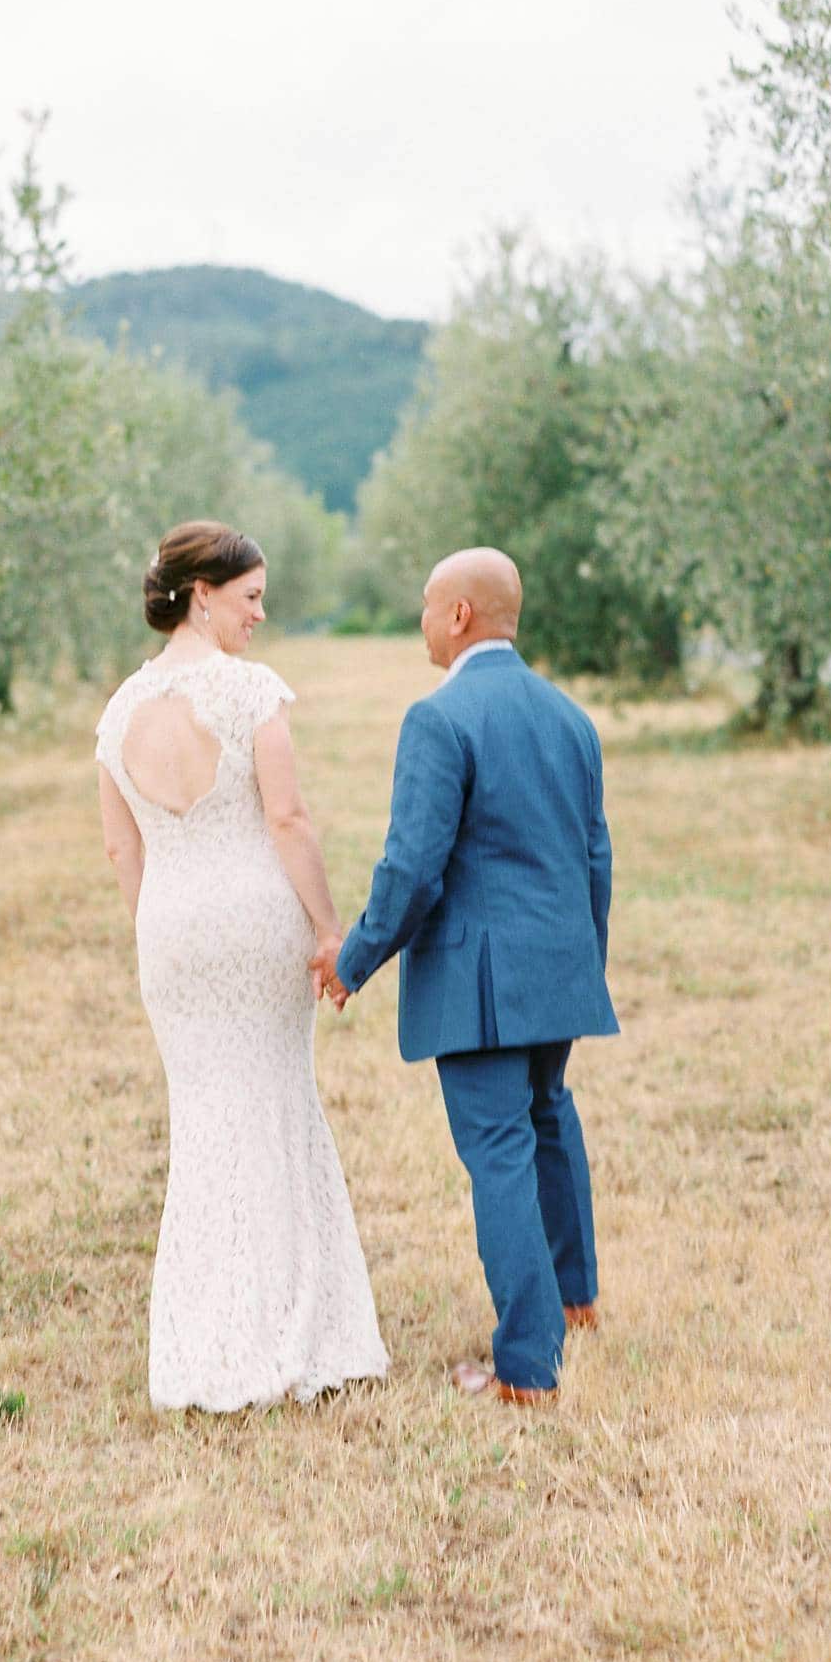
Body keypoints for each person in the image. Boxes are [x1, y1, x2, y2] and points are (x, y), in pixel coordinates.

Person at [95, 520, 388, 1412]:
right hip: (256, 923)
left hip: (172, 930)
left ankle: (206, 1344)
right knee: (273, 1105)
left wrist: (159, 936)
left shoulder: (116, 712)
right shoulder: (249, 692)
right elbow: (288, 822)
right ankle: (294, 1333)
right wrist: (329, 924)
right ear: (202, 595)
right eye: (252, 597)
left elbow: (122, 854)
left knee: (206, 1124)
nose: (262, 614)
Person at [319, 548, 617, 1407]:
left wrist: (353, 961)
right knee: (549, 1121)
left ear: (459, 617)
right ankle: (575, 1299)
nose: (419, 619)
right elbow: (596, 859)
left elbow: (413, 870)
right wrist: (579, 964)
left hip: (482, 985)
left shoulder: (438, 720)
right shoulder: (570, 718)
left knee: (500, 1153)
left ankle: (527, 1367)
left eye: (424, 605)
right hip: (558, 970)